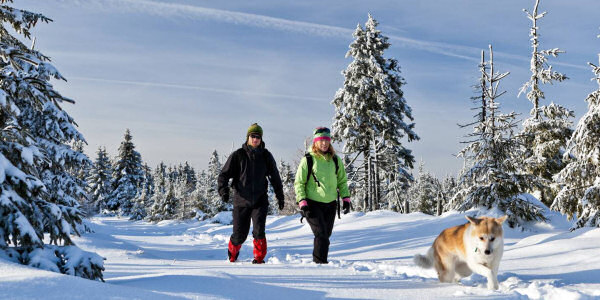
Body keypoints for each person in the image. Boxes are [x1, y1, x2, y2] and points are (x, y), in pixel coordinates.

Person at [218, 123, 284, 264]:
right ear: (248, 137)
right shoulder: (238, 155)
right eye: (253, 136)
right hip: (241, 201)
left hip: (260, 201)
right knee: (239, 235)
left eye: (258, 137)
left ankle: (259, 259)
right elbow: (223, 175)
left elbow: (275, 177)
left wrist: (280, 195)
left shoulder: (266, 156)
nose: (255, 139)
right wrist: (224, 191)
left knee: (259, 232)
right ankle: (232, 254)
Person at [294, 127, 351, 264]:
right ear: (315, 142)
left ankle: (320, 262)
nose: (324, 143)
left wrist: (346, 199)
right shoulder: (308, 159)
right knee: (321, 235)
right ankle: (320, 264)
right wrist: (302, 202)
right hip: (312, 203)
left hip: (330, 204)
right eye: (321, 140)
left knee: (326, 235)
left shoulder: (335, 160)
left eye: (326, 140)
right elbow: (299, 183)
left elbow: (342, 181)